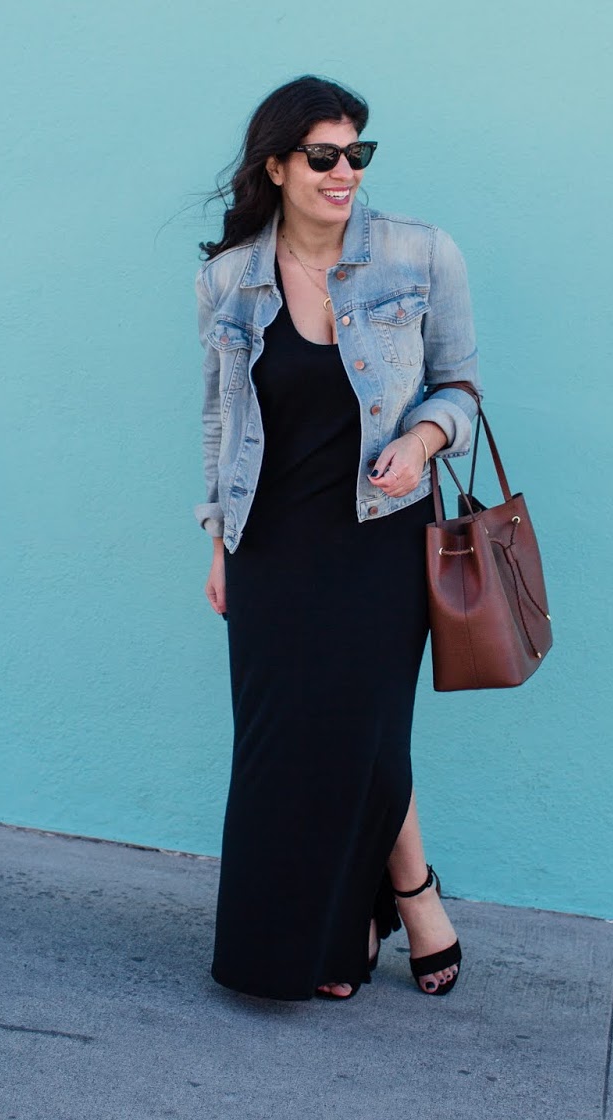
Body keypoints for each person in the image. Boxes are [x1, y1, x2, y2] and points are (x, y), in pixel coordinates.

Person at [195, 75, 482, 1001]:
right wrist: (216, 542)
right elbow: (218, 421)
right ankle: (349, 916)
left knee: (367, 734)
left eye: (356, 153)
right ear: (276, 166)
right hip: (269, 540)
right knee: (280, 747)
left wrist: (421, 437)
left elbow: (461, 387)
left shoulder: (421, 254)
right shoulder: (227, 278)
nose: (343, 172)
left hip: (381, 533)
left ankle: (397, 896)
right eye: (323, 156)